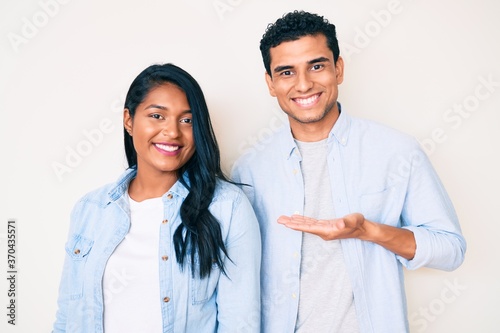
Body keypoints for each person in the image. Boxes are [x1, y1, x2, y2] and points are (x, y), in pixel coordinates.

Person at [231, 10, 466, 333]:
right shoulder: (249, 168)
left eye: (317, 66)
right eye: (286, 72)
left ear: (338, 69)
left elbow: (451, 250)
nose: (304, 84)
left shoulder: (397, 151)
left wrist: (368, 231)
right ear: (271, 83)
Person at [53, 63, 261, 333]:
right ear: (129, 120)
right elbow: (67, 319)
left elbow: (240, 324)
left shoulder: (227, 208)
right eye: (157, 116)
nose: (173, 132)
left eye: (187, 120)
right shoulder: (90, 209)